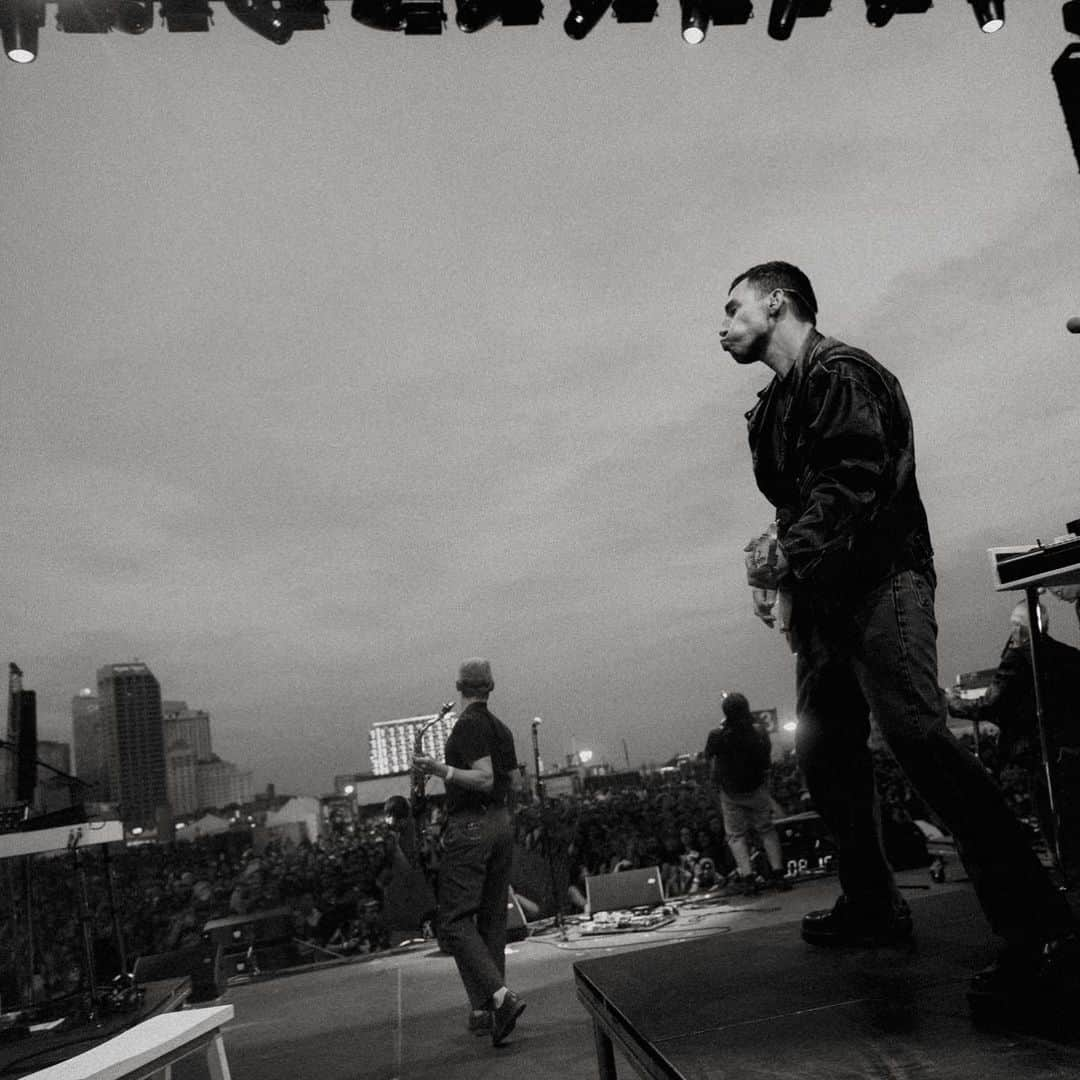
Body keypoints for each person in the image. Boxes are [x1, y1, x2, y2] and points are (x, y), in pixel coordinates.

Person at [718, 260, 1079, 1017]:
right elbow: (809, 499)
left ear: (778, 303)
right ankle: (872, 903)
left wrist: (785, 554)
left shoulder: (844, 373)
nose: (720, 326)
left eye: (733, 308)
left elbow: (854, 476)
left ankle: (1045, 932)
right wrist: (778, 561)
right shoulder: (775, 405)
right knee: (826, 750)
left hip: (884, 583)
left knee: (918, 737)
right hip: (828, 598)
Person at [412, 658, 526, 1046]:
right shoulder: (501, 728)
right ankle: (487, 1011)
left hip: (472, 825)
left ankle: (500, 998)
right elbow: (510, 781)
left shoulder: (467, 726)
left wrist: (438, 770)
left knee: (454, 922)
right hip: (500, 823)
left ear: (459, 686)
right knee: (492, 920)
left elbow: (484, 777)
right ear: (489, 687)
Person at [947, 598, 1080, 877]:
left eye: (1015, 626)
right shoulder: (1069, 655)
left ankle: (1067, 881)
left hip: (1039, 754)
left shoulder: (1018, 659)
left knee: (1052, 822)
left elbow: (990, 705)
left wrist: (948, 702)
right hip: (1071, 751)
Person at [703, 692, 790, 893]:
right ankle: (778, 874)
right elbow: (766, 761)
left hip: (731, 792)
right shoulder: (759, 731)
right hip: (756, 787)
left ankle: (748, 877)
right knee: (766, 830)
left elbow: (709, 759)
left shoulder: (716, 735)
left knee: (736, 836)